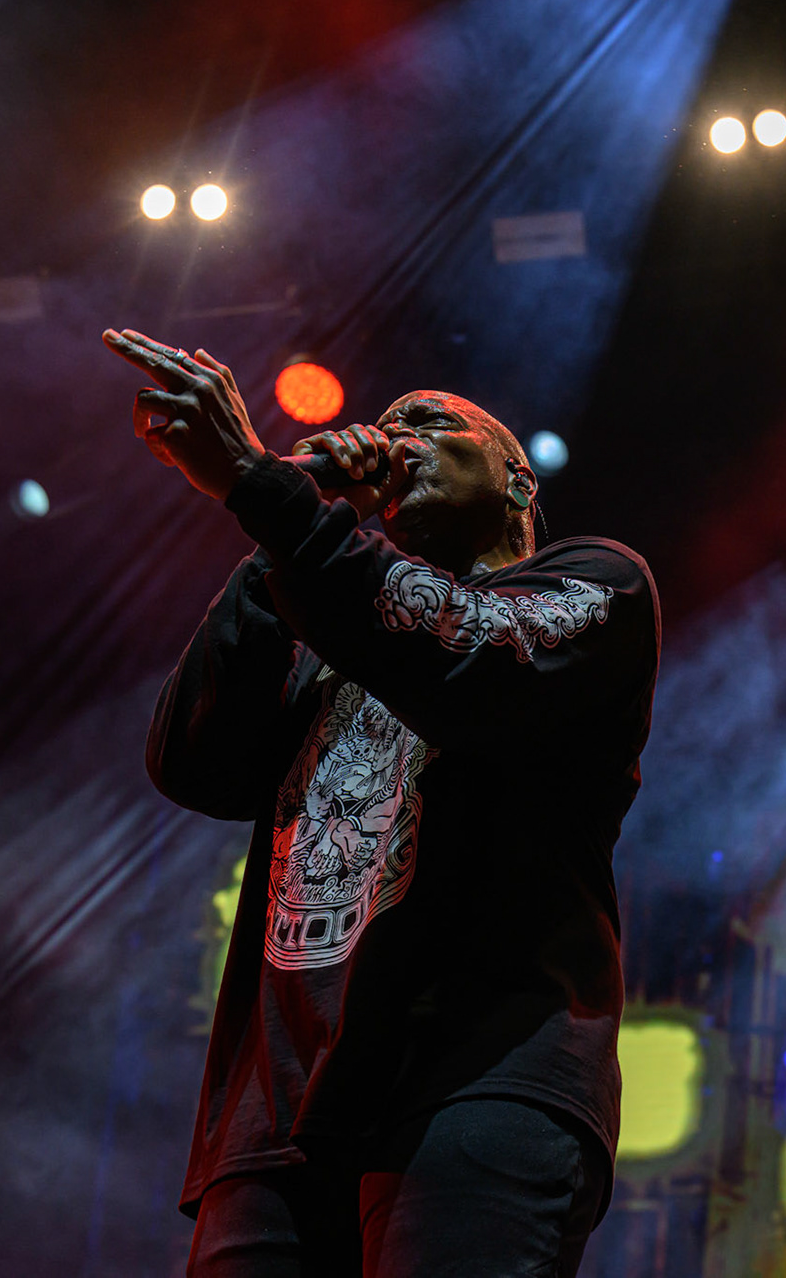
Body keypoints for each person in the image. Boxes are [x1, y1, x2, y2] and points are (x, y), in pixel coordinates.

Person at [103, 328, 659, 1277]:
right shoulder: (330, 634)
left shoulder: (593, 585)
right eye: (388, 422)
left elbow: (466, 652)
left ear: (519, 481)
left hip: (478, 1078)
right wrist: (289, 520)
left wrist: (259, 485)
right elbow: (191, 762)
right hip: (276, 1118)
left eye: (433, 424)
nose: (395, 436)